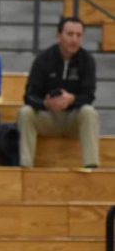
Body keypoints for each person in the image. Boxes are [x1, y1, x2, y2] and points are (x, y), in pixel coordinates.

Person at [18, 17, 99, 169]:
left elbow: (89, 96)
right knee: (25, 113)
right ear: (59, 36)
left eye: (78, 35)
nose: (74, 39)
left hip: (72, 119)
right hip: (48, 117)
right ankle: (25, 167)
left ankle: (91, 166)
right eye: (70, 34)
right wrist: (46, 103)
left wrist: (71, 99)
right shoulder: (43, 59)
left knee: (89, 112)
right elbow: (28, 96)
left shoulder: (87, 61)